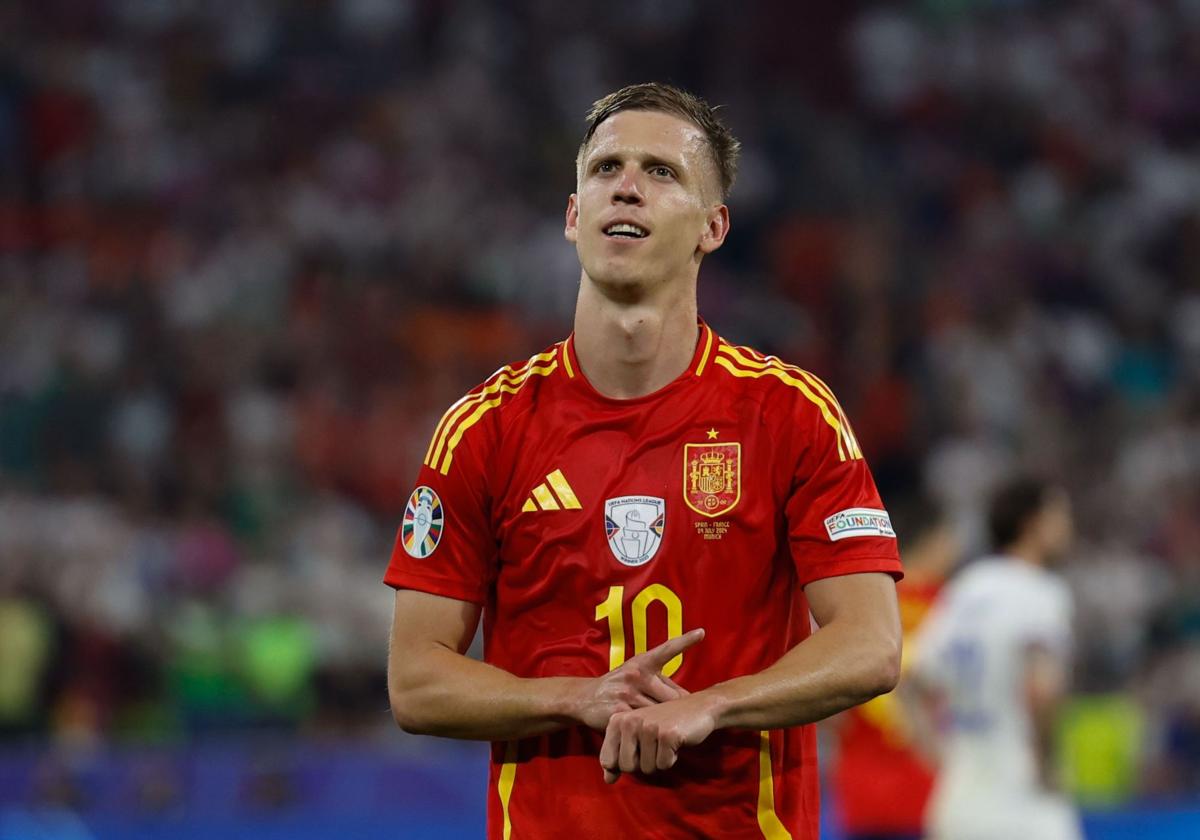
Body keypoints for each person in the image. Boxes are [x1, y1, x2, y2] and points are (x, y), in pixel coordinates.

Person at [384, 82, 903, 839]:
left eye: (661, 172)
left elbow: (872, 645)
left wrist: (711, 706)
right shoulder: (484, 430)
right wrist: (574, 699)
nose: (626, 185)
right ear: (572, 216)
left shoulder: (790, 415)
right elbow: (415, 680)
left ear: (713, 226)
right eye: (605, 169)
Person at [908, 476, 1082, 840]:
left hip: (958, 803)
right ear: (1032, 524)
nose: (1067, 525)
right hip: (1022, 803)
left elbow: (912, 680)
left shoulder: (967, 587)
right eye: (1058, 515)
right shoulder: (1040, 591)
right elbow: (1041, 688)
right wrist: (1049, 767)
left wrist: (939, 755)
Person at [830, 494, 958, 840]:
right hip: (929, 779)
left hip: (860, 783)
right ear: (934, 538)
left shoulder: (862, 606)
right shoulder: (950, 607)